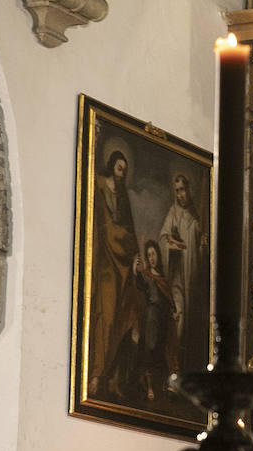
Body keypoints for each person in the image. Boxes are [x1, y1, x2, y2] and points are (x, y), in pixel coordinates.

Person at [88, 148, 143, 399]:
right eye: (119, 169)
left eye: (125, 171)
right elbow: (104, 225)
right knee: (106, 318)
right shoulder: (99, 185)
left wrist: (134, 256)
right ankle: (97, 373)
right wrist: (117, 237)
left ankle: (111, 376)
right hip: (105, 262)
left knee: (126, 317)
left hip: (122, 264)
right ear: (112, 166)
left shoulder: (123, 196)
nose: (121, 174)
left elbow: (128, 229)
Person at [157, 171, 207, 371]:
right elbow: (163, 238)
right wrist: (174, 244)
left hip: (192, 276)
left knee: (193, 320)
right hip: (177, 275)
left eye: (183, 190)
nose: (180, 195)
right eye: (177, 191)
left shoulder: (196, 215)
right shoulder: (173, 212)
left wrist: (202, 245)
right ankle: (173, 362)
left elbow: (202, 248)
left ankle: (186, 364)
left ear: (189, 190)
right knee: (179, 313)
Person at [132, 240, 178, 401]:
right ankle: (149, 387)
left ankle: (162, 387)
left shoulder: (162, 278)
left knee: (162, 351)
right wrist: (136, 271)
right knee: (150, 348)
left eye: (154, 254)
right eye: (149, 255)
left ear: (158, 254)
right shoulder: (146, 275)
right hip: (151, 317)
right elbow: (139, 285)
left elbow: (168, 300)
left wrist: (173, 312)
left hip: (163, 318)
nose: (152, 258)